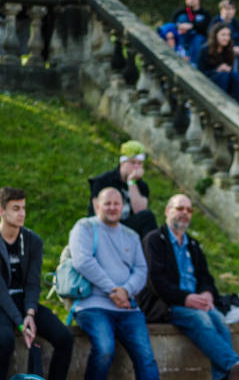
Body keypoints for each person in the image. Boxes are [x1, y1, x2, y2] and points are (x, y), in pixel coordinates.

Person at [142, 194, 239, 380]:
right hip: (167, 304)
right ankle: (237, 366)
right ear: (168, 211)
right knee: (201, 319)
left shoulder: (193, 244)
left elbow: (205, 277)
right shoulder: (154, 240)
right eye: (179, 208)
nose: (184, 213)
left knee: (219, 321)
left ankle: (226, 375)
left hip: (197, 302)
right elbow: (155, 280)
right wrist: (186, 298)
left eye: (189, 210)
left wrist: (207, 294)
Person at [70, 187, 159, 380]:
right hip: (93, 305)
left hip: (128, 309)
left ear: (123, 207)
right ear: (97, 205)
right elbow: (83, 261)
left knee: (146, 358)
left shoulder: (131, 235)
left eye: (116, 204)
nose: (112, 208)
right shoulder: (84, 227)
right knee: (104, 349)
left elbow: (141, 269)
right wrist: (112, 289)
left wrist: (125, 291)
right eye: (107, 203)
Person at [0, 187, 73, 380]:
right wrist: (21, 323)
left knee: (64, 338)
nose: (22, 213)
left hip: (24, 301)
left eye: (24, 208)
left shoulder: (33, 241)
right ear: (1, 211)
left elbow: (33, 283)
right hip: (1, 304)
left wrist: (30, 313)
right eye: (16, 208)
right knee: (4, 341)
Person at [88, 140, 157, 239]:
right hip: (104, 226)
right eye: (133, 163)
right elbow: (98, 211)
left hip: (127, 228)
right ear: (123, 162)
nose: (136, 167)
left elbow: (141, 211)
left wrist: (132, 182)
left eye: (140, 163)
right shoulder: (103, 180)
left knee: (148, 217)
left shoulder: (141, 185)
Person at [197, 23, 239, 121]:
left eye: (228, 35)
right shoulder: (204, 50)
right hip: (209, 83)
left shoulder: (228, 50)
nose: (226, 38)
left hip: (226, 82)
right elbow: (200, 75)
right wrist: (216, 70)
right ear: (215, 35)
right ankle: (222, 108)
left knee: (233, 75)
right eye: (223, 35)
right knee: (223, 75)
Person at [209, 0, 239, 92]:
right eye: (227, 9)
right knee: (234, 60)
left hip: (237, 49)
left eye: (232, 9)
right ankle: (234, 90)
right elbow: (211, 39)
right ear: (221, 10)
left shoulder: (236, 23)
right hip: (221, 51)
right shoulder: (215, 22)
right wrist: (231, 48)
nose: (229, 11)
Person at [171, 0, 211, 65]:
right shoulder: (181, 12)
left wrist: (192, 26)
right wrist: (180, 26)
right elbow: (173, 24)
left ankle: (194, 63)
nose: (191, 0)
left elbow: (206, 29)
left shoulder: (205, 14)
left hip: (198, 38)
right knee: (182, 18)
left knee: (198, 39)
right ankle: (180, 55)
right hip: (184, 36)